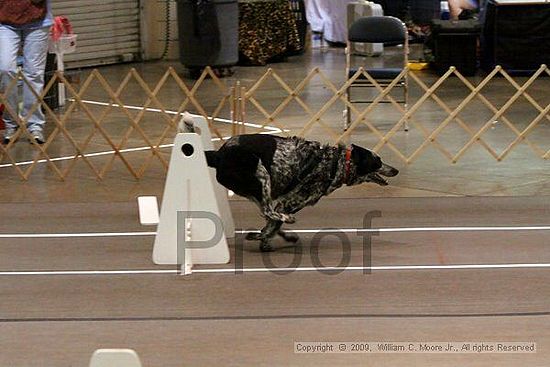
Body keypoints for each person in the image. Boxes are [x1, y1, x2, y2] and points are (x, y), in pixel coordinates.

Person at [0, 0, 53, 145]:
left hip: (38, 21)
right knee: (5, 69)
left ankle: (35, 125)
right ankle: (11, 123)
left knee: (34, 74)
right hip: (4, 21)